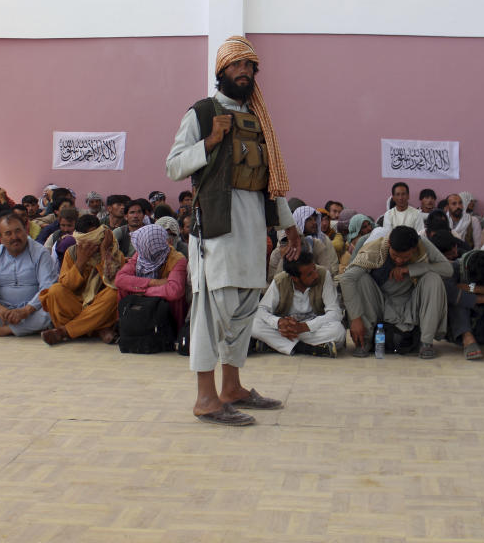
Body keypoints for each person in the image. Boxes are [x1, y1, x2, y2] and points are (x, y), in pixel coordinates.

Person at [166, 35, 301, 426]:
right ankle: (206, 398)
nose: (244, 72)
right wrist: (210, 141)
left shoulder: (260, 121)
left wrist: (288, 227)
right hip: (216, 230)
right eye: (236, 66)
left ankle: (232, 388)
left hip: (251, 228)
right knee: (211, 313)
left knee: (242, 310)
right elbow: (173, 166)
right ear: (220, 72)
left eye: (250, 66)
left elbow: (269, 179)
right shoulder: (202, 113)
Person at [339, 225, 451, 359]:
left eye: (404, 257)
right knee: (360, 279)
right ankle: (365, 341)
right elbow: (346, 279)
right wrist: (356, 319)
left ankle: (426, 343)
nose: (399, 261)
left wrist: (410, 268)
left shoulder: (422, 245)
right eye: (395, 255)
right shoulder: (375, 249)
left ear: (414, 249)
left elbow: (447, 269)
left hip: (410, 304)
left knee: (433, 279)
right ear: (389, 245)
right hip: (380, 304)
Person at [0, 213, 57, 338]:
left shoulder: (40, 252)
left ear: (26, 231)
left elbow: (48, 286)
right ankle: (26, 328)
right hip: (4, 309)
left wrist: (26, 310)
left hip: (33, 309)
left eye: (18, 231)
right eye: (8, 233)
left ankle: (1, 330)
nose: (15, 237)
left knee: (51, 310)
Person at [39, 215, 124, 345]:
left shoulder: (114, 252)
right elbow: (67, 285)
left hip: (100, 305)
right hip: (78, 303)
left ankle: (64, 331)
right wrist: (80, 262)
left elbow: (114, 282)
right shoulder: (72, 253)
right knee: (55, 290)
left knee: (113, 293)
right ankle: (98, 328)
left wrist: (103, 253)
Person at [251, 250, 345, 357]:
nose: (315, 275)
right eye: (309, 274)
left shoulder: (323, 275)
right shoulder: (280, 281)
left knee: (338, 331)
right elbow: (261, 310)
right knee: (254, 325)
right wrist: (279, 322)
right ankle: (307, 348)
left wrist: (304, 326)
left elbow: (335, 312)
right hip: (287, 329)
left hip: (312, 328)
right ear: (295, 278)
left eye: (314, 268)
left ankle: (274, 344)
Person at [115, 223, 189, 328]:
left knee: (176, 299)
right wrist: (153, 283)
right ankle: (124, 326)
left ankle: (173, 331)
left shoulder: (177, 259)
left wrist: (141, 290)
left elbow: (174, 291)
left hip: (163, 310)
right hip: (147, 299)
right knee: (122, 289)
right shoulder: (141, 254)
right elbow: (120, 279)